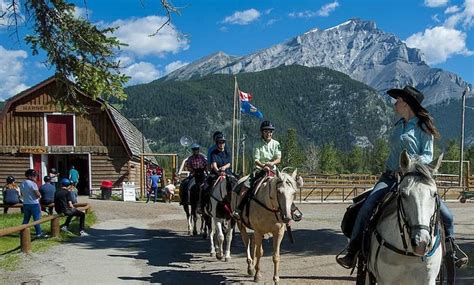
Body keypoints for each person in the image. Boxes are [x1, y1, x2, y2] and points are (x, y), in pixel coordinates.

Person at [336, 86, 468, 269]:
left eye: (397, 100)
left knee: (447, 215)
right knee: (367, 206)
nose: (395, 103)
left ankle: (450, 252)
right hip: (390, 176)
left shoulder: (423, 127)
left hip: (416, 178)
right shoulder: (399, 125)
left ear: (406, 103)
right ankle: (353, 250)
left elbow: (428, 155)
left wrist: (409, 164)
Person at [232, 120, 282, 220]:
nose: (269, 133)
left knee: (285, 188)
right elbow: (256, 160)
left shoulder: (276, 144)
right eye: (266, 131)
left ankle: (289, 210)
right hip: (260, 170)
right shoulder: (257, 144)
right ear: (262, 132)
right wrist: (264, 166)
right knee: (245, 187)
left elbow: (279, 158)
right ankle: (238, 209)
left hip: (273, 170)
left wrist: (272, 163)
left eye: (270, 131)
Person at [20, 169, 47, 238]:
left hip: (26, 203)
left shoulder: (22, 183)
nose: (35, 177)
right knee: (36, 220)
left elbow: (22, 194)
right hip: (34, 203)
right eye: (34, 176)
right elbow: (37, 194)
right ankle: (38, 233)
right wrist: (40, 195)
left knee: (26, 220)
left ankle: (22, 232)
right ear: (29, 176)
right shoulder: (33, 184)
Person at [186, 143, 208, 211]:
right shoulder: (190, 158)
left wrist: (207, 172)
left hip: (201, 173)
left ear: (198, 150)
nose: (195, 151)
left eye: (197, 149)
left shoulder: (202, 157)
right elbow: (188, 166)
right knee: (187, 184)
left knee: (207, 185)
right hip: (194, 173)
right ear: (192, 150)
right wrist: (193, 170)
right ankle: (186, 199)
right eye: (194, 149)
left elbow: (206, 165)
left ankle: (206, 200)